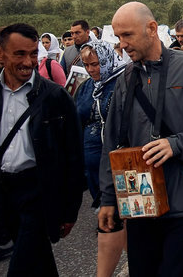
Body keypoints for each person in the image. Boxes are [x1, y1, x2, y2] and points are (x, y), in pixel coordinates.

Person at [98, 2, 183, 276]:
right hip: (138, 206)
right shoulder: (125, 78)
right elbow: (111, 142)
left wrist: (176, 143)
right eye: (118, 37)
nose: (122, 45)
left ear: (152, 29)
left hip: (182, 206)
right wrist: (109, 198)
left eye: (127, 35)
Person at [0, 23, 84, 275]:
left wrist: (70, 209)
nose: (28, 62)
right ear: (0, 54)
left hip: (39, 192)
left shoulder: (55, 97)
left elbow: (73, 157)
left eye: (33, 54)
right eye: (19, 54)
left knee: (22, 263)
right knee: (38, 259)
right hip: (3, 194)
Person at [75, 40, 128, 277]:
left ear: (105, 60)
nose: (91, 69)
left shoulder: (122, 82)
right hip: (91, 154)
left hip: (115, 154)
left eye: (95, 64)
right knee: (108, 209)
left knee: (119, 211)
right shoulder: (87, 87)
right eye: (86, 65)